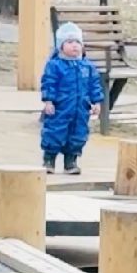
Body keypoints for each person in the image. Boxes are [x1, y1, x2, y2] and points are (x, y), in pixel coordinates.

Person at [40, 21, 102, 174]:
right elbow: (49, 83)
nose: (74, 45)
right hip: (60, 107)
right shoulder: (55, 65)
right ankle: (49, 159)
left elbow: (94, 85)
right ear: (61, 46)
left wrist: (96, 102)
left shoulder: (87, 66)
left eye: (77, 42)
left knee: (78, 133)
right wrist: (48, 100)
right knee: (54, 131)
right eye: (69, 42)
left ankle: (71, 160)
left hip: (80, 108)